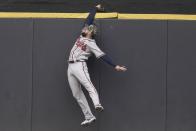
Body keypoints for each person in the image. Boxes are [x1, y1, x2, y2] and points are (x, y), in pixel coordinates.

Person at [67, 4, 127, 126]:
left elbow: (103, 55)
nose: (84, 28)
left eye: (87, 28)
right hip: (70, 67)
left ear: (90, 32)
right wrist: (95, 8)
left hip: (80, 65)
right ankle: (89, 116)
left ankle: (97, 104)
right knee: (76, 94)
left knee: (88, 85)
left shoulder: (91, 43)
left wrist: (115, 66)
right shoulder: (82, 36)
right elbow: (88, 20)